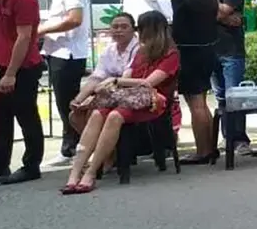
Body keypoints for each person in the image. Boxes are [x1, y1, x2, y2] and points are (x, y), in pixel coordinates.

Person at [61, 11, 179, 194]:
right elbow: (127, 74)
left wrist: (117, 82)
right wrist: (113, 85)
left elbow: (149, 83)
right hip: (129, 98)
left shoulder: (171, 54)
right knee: (97, 114)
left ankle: (91, 171)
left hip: (152, 102)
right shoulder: (141, 51)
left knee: (115, 116)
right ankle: (75, 172)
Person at [0, 0, 46, 185]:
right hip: (6, 65)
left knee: (26, 116)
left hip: (23, 66)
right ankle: (0, 164)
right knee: (2, 116)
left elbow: (24, 38)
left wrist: (11, 74)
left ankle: (31, 165)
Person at [38, 0, 90, 166]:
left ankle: (73, 147)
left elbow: (75, 19)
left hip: (67, 54)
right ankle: (72, 146)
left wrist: (41, 30)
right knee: (64, 102)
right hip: (58, 51)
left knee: (68, 103)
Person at [171, 0, 219, 164]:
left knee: (195, 103)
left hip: (188, 55)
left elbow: (177, 31)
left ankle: (202, 150)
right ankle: (210, 147)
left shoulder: (180, 1)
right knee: (203, 102)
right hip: (208, 52)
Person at [204, 0, 250, 155]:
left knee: (234, 96)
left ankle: (240, 139)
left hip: (231, 51)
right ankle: (227, 136)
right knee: (221, 97)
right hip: (212, 50)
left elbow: (222, 12)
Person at [70, 12, 139, 133]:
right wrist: (78, 101)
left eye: (124, 27)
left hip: (130, 93)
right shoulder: (109, 49)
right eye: (115, 27)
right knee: (75, 115)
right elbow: (97, 77)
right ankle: (94, 147)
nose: (118, 30)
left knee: (94, 112)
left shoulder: (139, 48)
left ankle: (101, 149)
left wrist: (95, 99)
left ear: (133, 30)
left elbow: (125, 79)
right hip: (108, 92)